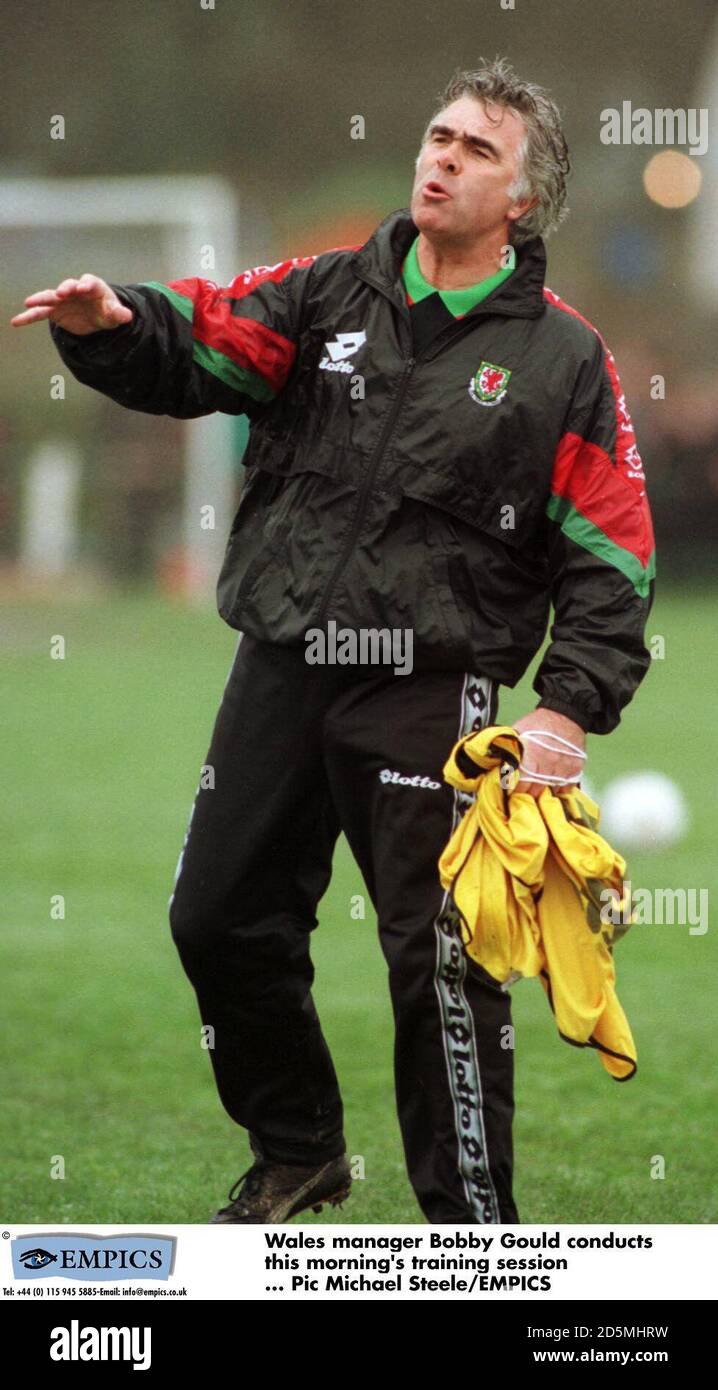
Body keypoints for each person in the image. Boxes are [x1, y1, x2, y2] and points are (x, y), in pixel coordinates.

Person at [12, 58, 655, 1225]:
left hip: (432, 686)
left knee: (443, 966)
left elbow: (614, 554)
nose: (441, 157)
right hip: (282, 657)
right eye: (436, 134)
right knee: (215, 914)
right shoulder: (326, 294)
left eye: (474, 150)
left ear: (523, 197)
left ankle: (473, 1232)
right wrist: (118, 324)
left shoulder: (563, 361)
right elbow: (208, 344)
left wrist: (563, 709)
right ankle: (298, 1148)